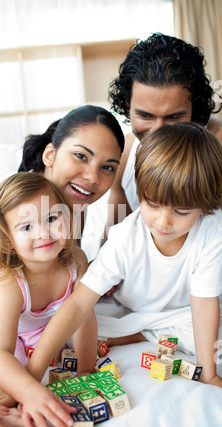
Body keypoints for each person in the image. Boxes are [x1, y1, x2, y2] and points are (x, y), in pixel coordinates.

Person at [0, 105, 124, 427]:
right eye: (81, 156)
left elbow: (75, 297)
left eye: (107, 167)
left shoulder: (67, 213)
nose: (93, 178)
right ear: (50, 154)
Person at [37, 123, 222, 389]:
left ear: (204, 207)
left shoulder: (212, 231)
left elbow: (204, 303)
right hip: (130, 310)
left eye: (181, 212)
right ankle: (136, 332)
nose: (163, 222)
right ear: (140, 193)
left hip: (182, 314)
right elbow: (78, 304)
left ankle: (137, 335)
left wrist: (209, 374)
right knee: (70, 328)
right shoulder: (125, 236)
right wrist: (33, 374)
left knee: (212, 338)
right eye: (152, 204)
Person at [0, 171, 97, 427]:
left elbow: (84, 317)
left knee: (58, 347)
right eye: (26, 228)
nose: (43, 233)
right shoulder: (9, 281)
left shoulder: (76, 261)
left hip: (38, 325)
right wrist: (29, 392)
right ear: (6, 238)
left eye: (52, 219)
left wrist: (86, 371)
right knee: (14, 369)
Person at [107, 32, 222, 223]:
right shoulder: (124, 154)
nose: (158, 131)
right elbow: (114, 233)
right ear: (128, 104)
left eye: (174, 117)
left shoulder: (218, 144)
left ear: (195, 107)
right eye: (145, 115)